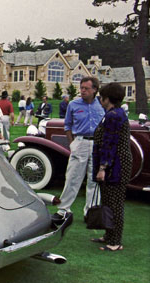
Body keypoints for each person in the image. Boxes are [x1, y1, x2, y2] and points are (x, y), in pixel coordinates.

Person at [54, 76, 105, 220]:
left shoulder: (102, 105)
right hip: (80, 142)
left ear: (94, 89)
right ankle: (63, 209)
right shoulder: (73, 104)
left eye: (86, 88)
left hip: (97, 144)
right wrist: (72, 144)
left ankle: (90, 213)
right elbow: (67, 126)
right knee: (72, 177)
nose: (82, 91)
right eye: (81, 88)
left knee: (94, 180)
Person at [90, 83, 132, 251]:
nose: (100, 99)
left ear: (108, 98)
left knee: (114, 202)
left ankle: (115, 242)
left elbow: (110, 144)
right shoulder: (115, 114)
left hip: (116, 166)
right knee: (108, 200)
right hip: (116, 164)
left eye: (102, 96)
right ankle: (108, 235)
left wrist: (103, 168)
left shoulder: (113, 116)